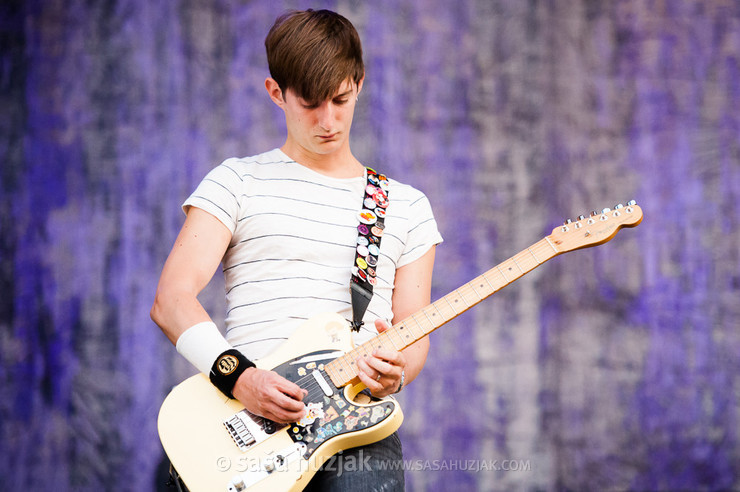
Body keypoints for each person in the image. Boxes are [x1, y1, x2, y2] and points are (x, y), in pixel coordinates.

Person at [151, 8, 442, 491]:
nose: (328, 120)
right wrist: (241, 378)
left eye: (340, 99)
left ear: (360, 83)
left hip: (357, 429)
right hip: (242, 420)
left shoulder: (407, 207)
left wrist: (394, 373)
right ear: (276, 93)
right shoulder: (237, 181)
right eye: (309, 103)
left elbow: (414, 335)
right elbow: (172, 300)